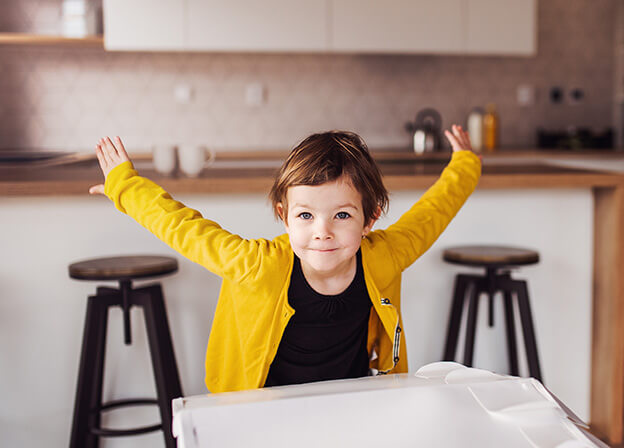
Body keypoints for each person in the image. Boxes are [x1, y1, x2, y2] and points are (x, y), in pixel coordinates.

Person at [89, 127, 480, 392]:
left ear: (370, 218)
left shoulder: (384, 256)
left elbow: (432, 213)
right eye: (305, 216)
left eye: (342, 215)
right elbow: (185, 229)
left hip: (349, 403)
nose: (321, 231)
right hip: (261, 410)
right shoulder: (259, 264)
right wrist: (125, 186)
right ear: (284, 215)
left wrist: (464, 163)